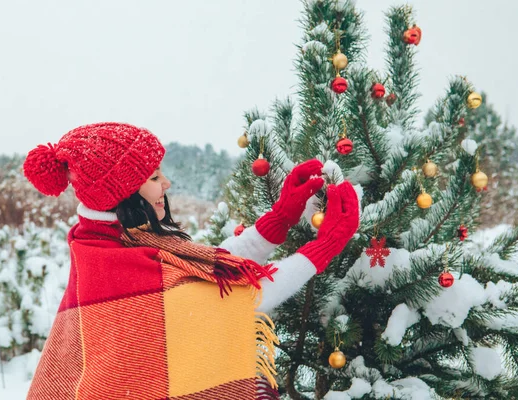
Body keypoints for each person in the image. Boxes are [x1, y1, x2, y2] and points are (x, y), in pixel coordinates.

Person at [23, 122, 359, 400]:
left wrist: (280, 219)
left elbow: (203, 276)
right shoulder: (113, 261)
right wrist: (324, 247)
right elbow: (233, 299)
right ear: (121, 194)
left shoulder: (113, 236)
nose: (166, 184)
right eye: (154, 178)